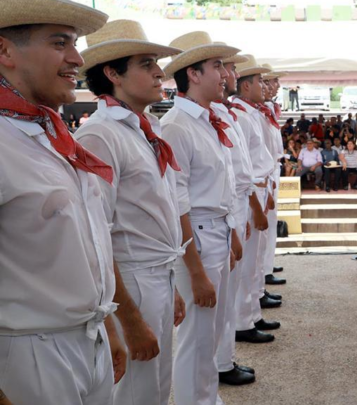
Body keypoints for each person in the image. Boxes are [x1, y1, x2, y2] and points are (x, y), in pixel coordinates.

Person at [0, 3, 125, 405]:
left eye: (74, 43)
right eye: (60, 43)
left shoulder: (48, 134)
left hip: (87, 339)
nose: (77, 59)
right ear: (5, 52)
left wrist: (107, 327)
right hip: (28, 353)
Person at [74, 20, 189, 405]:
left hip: (154, 274)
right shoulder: (100, 134)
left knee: (155, 388)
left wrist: (170, 284)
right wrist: (129, 318)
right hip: (132, 280)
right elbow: (97, 235)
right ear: (112, 73)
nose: (159, 72)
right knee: (135, 393)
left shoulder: (143, 128)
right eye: (146, 63)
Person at [161, 32, 241, 405]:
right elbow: (177, 201)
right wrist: (193, 270)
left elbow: (221, 183)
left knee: (212, 330)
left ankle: (207, 399)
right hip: (199, 235)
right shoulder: (178, 124)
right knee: (197, 335)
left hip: (216, 230)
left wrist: (233, 231)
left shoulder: (207, 120)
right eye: (216, 66)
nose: (225, 74)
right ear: (192, 74)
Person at [228, 56, 280, 350]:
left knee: (255, 257)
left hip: (260, 186)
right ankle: (243, 320)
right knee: (246, 262)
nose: (265, 86)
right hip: (248, 193)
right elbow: (243, 165)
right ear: (246, 87)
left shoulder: (252, 113)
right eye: (260, 81)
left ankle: (251, 313)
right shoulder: (240, 115)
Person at [261, 67, 288, 286]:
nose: (275, 86)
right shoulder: (255, 111)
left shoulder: (268, 108)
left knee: (270, 222)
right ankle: (263, 270)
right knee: (265, 223)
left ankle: (267, 264)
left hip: (272, 167)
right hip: (263, 172)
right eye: (272, 81)